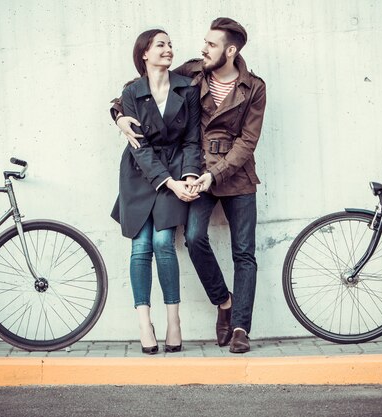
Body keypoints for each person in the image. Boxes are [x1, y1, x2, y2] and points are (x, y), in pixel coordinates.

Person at [112, 18, 266, 354]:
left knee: (244, 253)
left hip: (235, 174)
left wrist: (214, 173)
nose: (202, 48)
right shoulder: (193, 72)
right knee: (195, 238)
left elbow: (248, 141)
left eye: (211, 45)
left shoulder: (254, 87)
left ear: (230, 50)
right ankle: (223, 302)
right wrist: (117, 113)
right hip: (195, 173)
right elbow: (142, 86)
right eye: (205, 43)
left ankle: (240, 326)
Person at [110, 29, 201, 354]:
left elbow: (192, 139)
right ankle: (144, 322)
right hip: (139, 174)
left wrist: (187, 175)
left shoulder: (186, 88)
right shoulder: (131, 92)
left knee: (163, 242)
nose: (168, 49)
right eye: (160, 44)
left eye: (170, 44)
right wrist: (170, 182)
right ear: (144, 53)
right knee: (140, 246)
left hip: (176, 167)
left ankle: (173, 322)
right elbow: (140, 147)